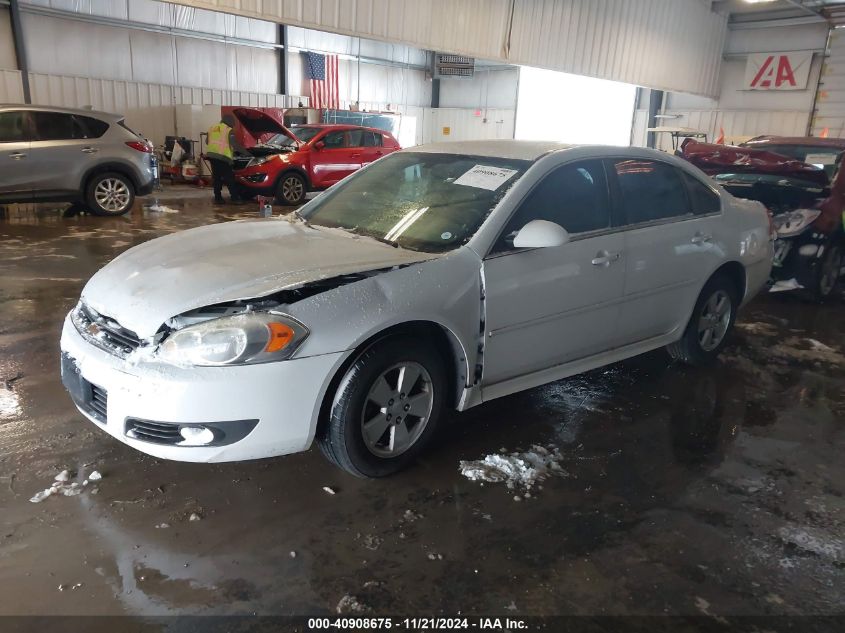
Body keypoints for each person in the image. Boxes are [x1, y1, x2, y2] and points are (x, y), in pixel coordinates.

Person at [206, 114, 246, 204]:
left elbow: (207, 141)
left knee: (217, 178)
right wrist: (246, 153)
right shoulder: (228, 130)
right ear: (229, 122)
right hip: (223, 157)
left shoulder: (212, 128)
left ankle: (218, 198)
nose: (233, 125)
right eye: (233, 123)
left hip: (212, 156)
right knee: (229, 178)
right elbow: (235, 145)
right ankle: (235, 198)